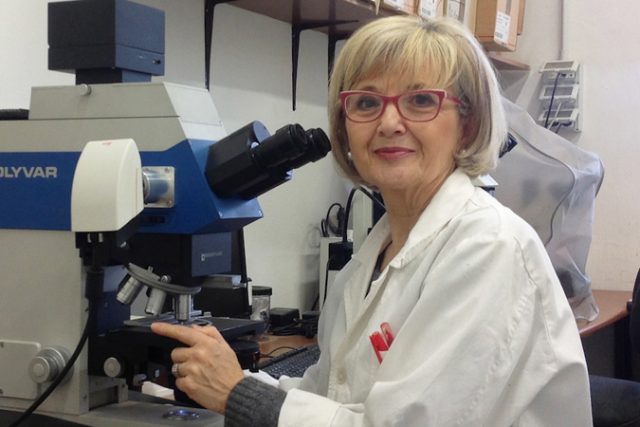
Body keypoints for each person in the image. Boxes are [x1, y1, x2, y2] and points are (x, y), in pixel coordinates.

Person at [151, 15, 592, 426]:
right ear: (345, 128)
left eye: (420, 100)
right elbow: (331, 395)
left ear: (467, 123)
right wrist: (224, 381)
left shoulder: (489, 249)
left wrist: (239, 394)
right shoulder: (370, 261)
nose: (389, 122)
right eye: (366, 102)